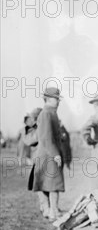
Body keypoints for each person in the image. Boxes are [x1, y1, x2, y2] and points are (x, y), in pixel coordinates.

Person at [28, 87, 65, 220]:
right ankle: (51, 210)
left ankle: (52, 210)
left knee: (50, 183)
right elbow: (45, 137)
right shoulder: (46, 114)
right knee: (50, 184)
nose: (58, 102)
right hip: (47, 154)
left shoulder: (52, 113)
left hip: (49, 153)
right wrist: (55, 154)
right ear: (48, 99)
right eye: (56, 99)